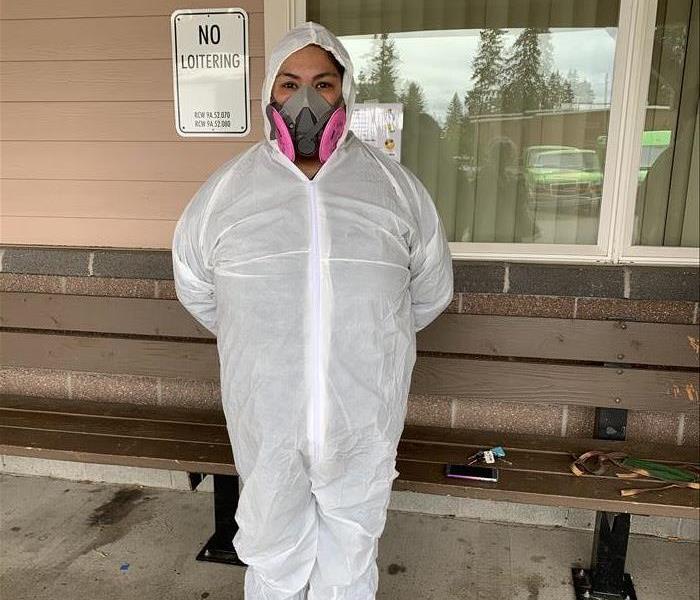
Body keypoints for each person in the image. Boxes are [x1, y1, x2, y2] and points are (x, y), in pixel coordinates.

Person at [172, 21, 453, 600]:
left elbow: (428, 291)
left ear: (344, 92)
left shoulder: (392, 188)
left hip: (362, 415)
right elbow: (197, 286)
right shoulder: (228, 193)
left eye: (323, 84)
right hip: (268, 414)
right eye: (288, 83)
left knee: (350, 554)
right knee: (273, 550)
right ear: (269, 95)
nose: (305, 101)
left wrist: (362, 338)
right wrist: (264, 333)